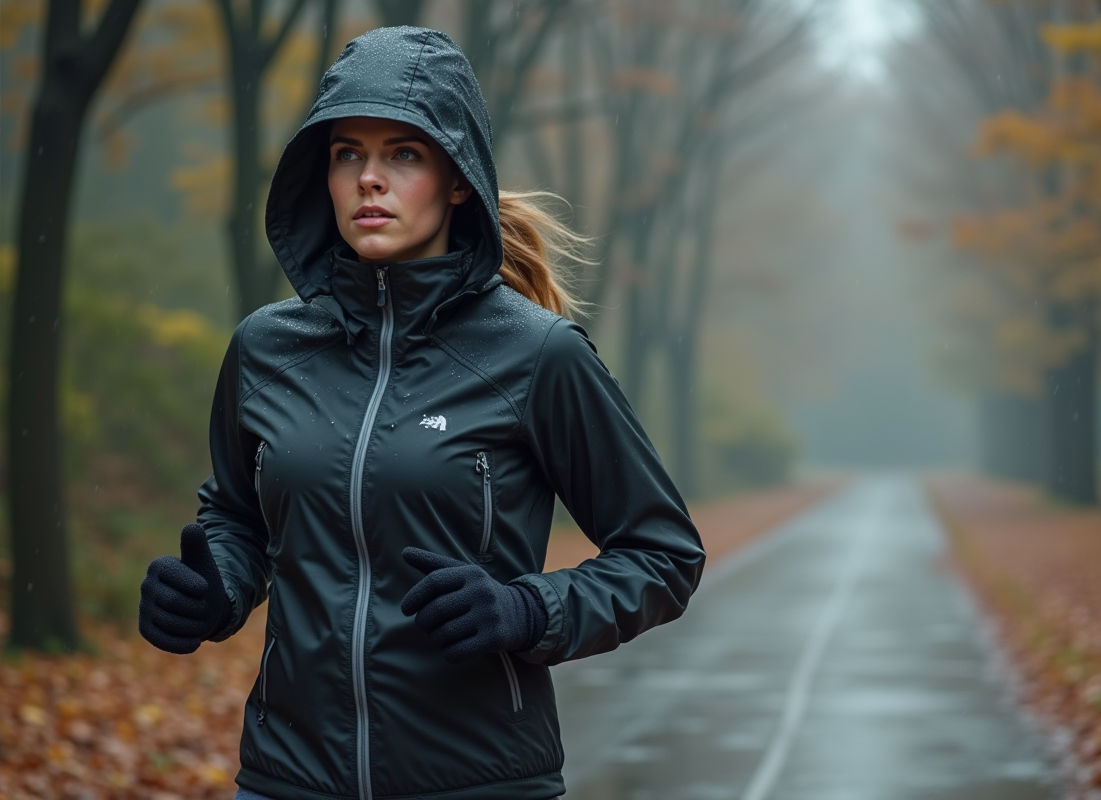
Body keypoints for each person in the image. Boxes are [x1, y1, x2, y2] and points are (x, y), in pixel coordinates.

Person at [137, 25, 704, 800]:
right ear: (323, 174)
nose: (371, 179)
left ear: (457, 178)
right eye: (348, 154)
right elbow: (240, 519)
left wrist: (526, 608)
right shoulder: (265, 349)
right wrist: (214, 592)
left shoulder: (538, 356)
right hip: (287, 779)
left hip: (478, 780)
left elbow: (663, 554)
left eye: (404, 154)